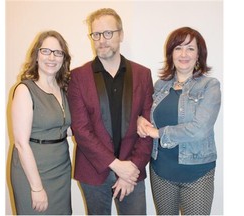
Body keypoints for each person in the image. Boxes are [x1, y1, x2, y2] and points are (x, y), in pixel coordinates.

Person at [67, 8, 154, 215]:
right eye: (96, 34)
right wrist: (116, 165)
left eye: (108, 33)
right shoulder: (78, 77)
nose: (101, 40)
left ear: (121, 34)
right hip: (93, 171)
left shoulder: (143, 74)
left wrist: (131, 168)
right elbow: (81, 129)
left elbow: (149, 127)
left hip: (132, 171)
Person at [137, 26, 221, 215]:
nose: (184, 54)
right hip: (161, 171)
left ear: (199, 55)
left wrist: (158, 133)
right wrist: (139, 120)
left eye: (190, 48)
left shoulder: (210, 86)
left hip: (197, 173)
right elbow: (145, 113)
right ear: (171, 53)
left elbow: (199, 129)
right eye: (178, 48)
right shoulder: (160, 86)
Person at [10, 30, 72, 215]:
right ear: (36, 54)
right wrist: (37, 188)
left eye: (58, 52)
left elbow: (64, 127)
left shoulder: (63, 88)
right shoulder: (24, 90)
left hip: (61, 168)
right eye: (46, 51)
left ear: (63, 58)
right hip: (33, 171)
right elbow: (21, 143)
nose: (52, 57)